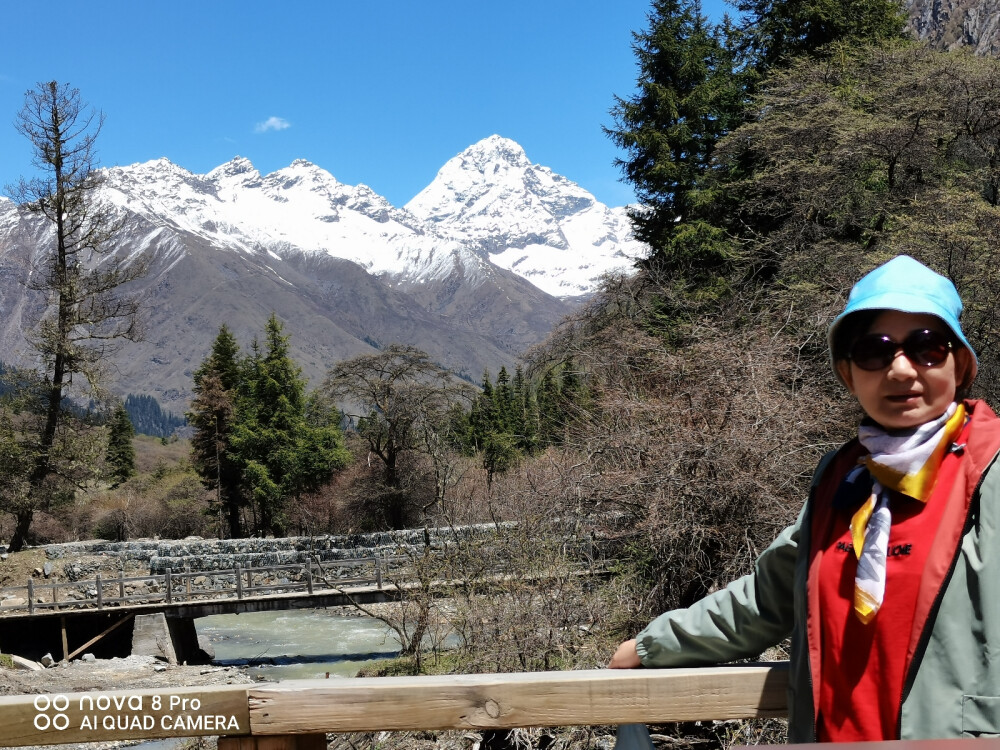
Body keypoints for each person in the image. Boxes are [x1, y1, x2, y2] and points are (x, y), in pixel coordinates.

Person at [609, 255, 1000, 742]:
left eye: (926, 348)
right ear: (847, 373)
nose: (901, 370)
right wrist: (650, 646)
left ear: (960, 364)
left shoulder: (990, 474)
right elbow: (765, 600)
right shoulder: (842, 481)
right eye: (874, 351)